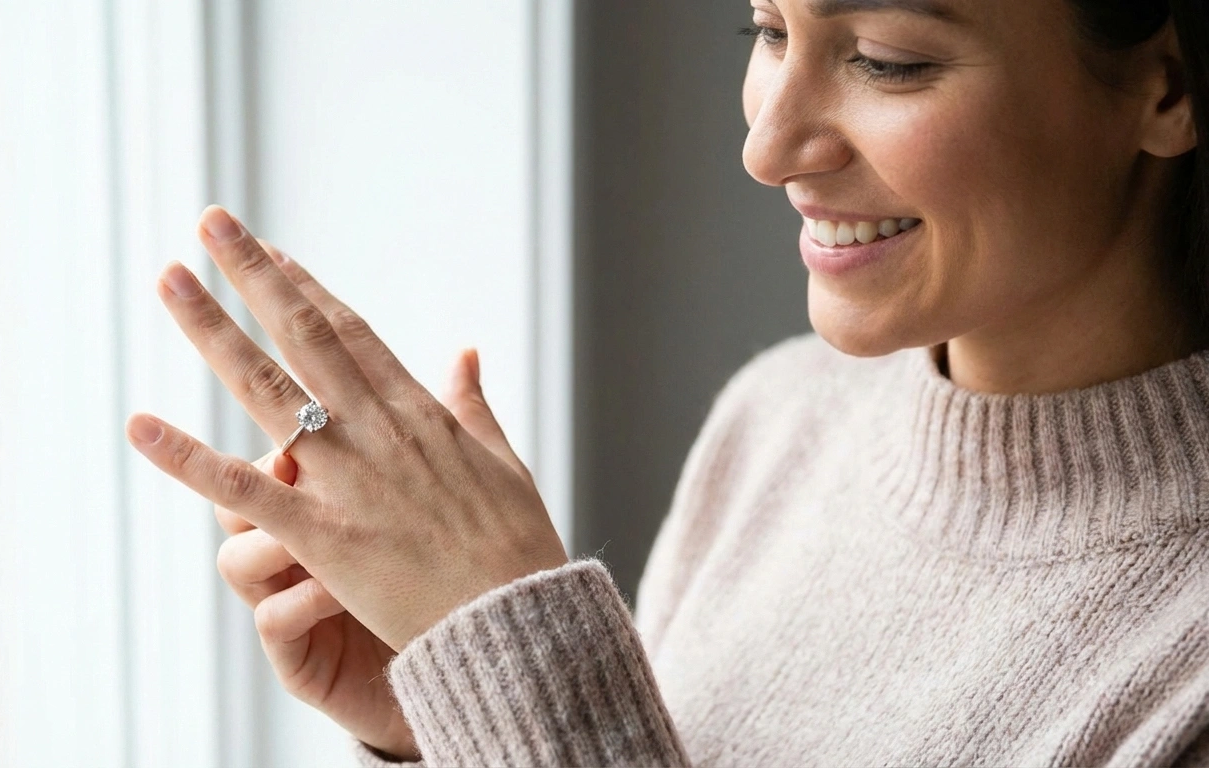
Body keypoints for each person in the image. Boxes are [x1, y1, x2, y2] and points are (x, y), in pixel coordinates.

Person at [128, 0, 1209, 765]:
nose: (768, 145)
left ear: (1165, 85)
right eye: (768, 31)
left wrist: (508, 647)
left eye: (884, 57)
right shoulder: (778, 421)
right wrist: (446, 720)